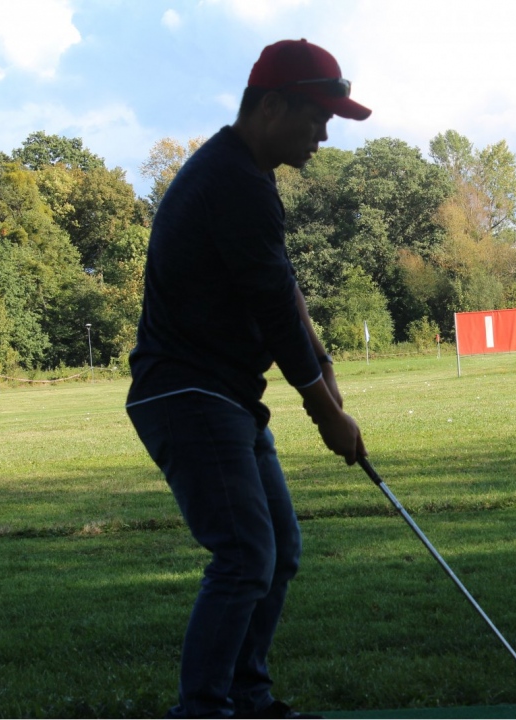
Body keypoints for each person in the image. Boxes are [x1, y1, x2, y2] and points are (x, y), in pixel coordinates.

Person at [125, 39, 370, 719]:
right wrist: (326, 415)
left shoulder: (246, 175)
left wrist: (325, 365)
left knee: (278, 549)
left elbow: (282, 286)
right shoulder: (231, 182)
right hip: (187, 392)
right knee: (244, 555)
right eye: (317, 119)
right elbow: (273, 313)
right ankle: (204, 709)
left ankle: (246, 696)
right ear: (271, 107)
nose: (324, 136)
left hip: (222, 395)